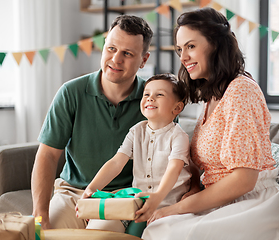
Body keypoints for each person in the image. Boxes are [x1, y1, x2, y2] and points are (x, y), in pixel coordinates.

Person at [142, 7, 279, 240]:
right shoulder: (214, 95)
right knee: (158, 228)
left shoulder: (241, 90)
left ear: (215, 44)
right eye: (179, 49)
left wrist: (175, 209)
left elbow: (244, 181)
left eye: (191, 46)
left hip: (252, 203)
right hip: (221, 201)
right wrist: (195, 187)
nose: (183, 57)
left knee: (164, 230)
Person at [31, 14, 153, 230]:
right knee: (49, 232)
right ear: (103, 47)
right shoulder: (70, 92)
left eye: (127, 53)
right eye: (112, 49)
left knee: (99, 234)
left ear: (143, 60)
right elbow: (48, 155)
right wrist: (40, 214)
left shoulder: (155, 99)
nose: (116, 59)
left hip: (121, 197)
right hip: (71, 193)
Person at [76, 73, 192, 232]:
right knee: (98, 230)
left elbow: (174, 168)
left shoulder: (178, 136)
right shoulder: (136, 131)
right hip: (136, 201)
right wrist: (92, 188)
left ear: (177, 107)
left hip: (167, 205)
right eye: (147, 94)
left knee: (140, 231)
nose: (150, 98)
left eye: (159, 95)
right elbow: (116, 162)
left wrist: (157, 196)